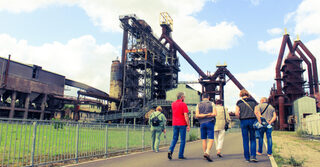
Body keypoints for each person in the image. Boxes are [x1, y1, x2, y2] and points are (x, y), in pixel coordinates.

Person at [235, 89, 258, 162]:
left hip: (243, 121)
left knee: (245, 140)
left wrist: (240, 118)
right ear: (247, 94)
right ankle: (253, 156)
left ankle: (247, 158)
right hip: (252, 120)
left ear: (241, 94)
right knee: (253, 139)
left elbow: (236, 113)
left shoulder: (239, 102)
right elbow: (256, 112)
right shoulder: (253, 101)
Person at [168, 92, 190, 160]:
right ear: (182, 97)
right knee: (183, 140)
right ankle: (180, 155)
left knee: (174, 138)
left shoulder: (173, 104)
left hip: (175, 123)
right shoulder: (183, 104)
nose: (184, 98)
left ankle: (170, 150)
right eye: (184, 97)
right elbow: (186, 115)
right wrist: (188, 125)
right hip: (182, 124)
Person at [195, 93, 217, 162]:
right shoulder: (212, 104)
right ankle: (207, 152)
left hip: (202, 123)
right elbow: (214, 114)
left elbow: (197, 115)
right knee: (211, 139)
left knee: (204, 139)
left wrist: (203, 115)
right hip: (210, 122)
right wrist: (208, 114)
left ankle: (205, 154)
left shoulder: (198, 104)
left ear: (202, 97)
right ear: (208, 97)